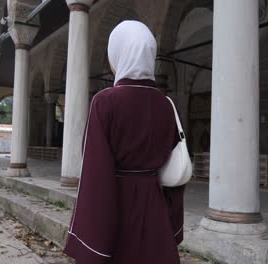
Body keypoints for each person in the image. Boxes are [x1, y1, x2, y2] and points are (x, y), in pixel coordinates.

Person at [63, 20, 185, 264]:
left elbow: (95, 173)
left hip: (116, 203)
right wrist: (172, 222)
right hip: (154, 205)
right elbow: (175, 170)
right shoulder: (166, 104)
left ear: (119, 53)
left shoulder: (105, 102)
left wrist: (91, 243)